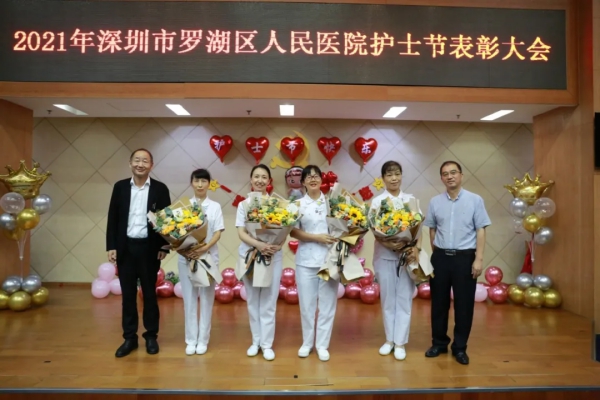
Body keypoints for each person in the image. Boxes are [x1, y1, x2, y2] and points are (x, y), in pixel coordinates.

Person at [423, 161, 491, 365]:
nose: (450, 176)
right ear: (441, 178)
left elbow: (481, 229)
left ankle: (460, 347)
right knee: (438, 304)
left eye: (453, 172)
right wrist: (436, 253)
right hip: (441, 258)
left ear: (461, 175)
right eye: (445, 174)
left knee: (464, 305)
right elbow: (432, 229)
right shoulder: (435, 202)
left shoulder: (475, 200)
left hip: (465, 258)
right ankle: (439, 343)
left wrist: (478, 259)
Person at [106, 148, 171, 358]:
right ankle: (129, 338)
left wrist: (163, 246)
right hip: (125, 248)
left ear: (151, 165)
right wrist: (111, 246)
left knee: (149, 295)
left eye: (145, 161)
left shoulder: (160, 189)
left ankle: (151, 336)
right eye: (137, 160)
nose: (140, 164)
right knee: (128, 296)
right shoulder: (120, 187)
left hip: (149, 249)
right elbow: (112, 217)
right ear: (130, 163)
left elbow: (166, 220)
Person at [370, 161, 421, 361]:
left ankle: (400, 343)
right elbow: (375, 230)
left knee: (404, 299)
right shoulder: (377, 202)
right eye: (389, 175)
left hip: (406, 256)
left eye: (397, 174)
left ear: (401, 176)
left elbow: (418, 228)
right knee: (388, 299)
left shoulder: (411, 200)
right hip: (385, 256)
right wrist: (389, 243)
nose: (394, 178)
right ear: (383, 178)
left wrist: (414, 248)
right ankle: (389, 340)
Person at [289, 165, 338, 362]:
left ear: (322, 180)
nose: (313, 179)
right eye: (308, 177)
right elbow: (293, 231)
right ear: (303, 182)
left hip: (329, 261)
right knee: (307, 305)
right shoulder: (297, 205)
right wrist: (317, 237)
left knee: (327, 305)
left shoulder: (332, 203)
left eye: (316, 176)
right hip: (306, 262)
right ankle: (307, 343)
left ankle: (322, 345)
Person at [236, 164, 283, 361]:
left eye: (264, 177)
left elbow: (284, 231)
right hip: (250, 256)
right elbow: (241, 232)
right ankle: (255, 341)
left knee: (269, 301)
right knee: (253, 300)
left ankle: (267, 344)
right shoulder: (244, 205)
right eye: (256, 176)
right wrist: (259, 245)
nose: (260, 180)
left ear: (269, 181)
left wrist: (276, 245)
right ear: (251, 179)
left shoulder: (277, 204)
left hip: (272, 256)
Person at [176, 168, 224, 356]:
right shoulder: (184, 207)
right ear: (191, 183)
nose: (200, 184)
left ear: (209, 184)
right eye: (196, 181)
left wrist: (205, 247)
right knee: (189, 300)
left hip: (208, 257)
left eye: (204, 181)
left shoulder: (215, 207)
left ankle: (203, 339)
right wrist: (186, 249)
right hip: (187, 258)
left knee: (206, 299)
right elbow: (176, 233)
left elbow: (218, 231)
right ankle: (190, 340)